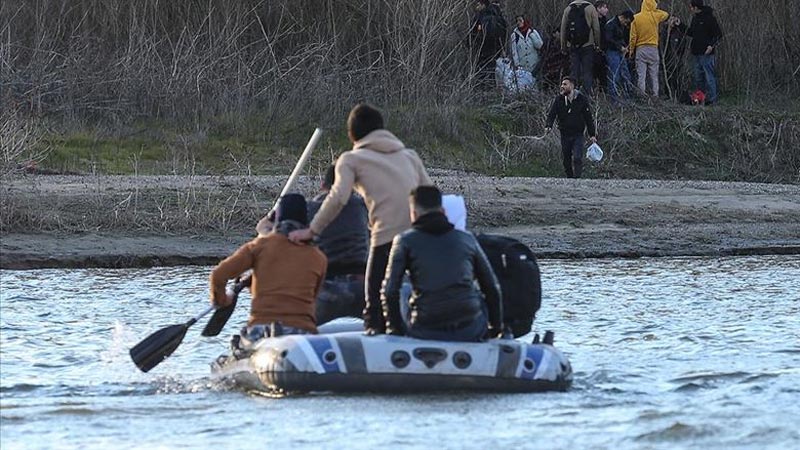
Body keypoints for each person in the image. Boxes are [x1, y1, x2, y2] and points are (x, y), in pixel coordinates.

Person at [288, 103, 432, 335]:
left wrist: (312, 231)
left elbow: (338, 198)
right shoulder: (410, 156)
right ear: (383, 130)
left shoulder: (351, 159)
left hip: (386, 237)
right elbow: (429, 194)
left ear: (352, 134)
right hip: (419, 236)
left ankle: (378, 329)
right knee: (411, 290)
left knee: (374, 297)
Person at [381, 186, 504, 342]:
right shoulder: (467, 239)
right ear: (443, 212)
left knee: (405, 289)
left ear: (414, 214)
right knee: (473, 291)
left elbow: (390, 291)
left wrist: (395, 331)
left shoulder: (404, 241)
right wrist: (496, 329)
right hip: (470, 328)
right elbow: (492, 288)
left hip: (425, 328)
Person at [210, 194, 327, 344]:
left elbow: (218, 275)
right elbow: (311, 297)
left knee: (237, 344)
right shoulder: (318, 257)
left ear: (277, 218)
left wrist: (223, 300)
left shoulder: (259, 246)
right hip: (303, 331)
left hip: (262, 328)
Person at [307, 165, 370, 325]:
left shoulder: (309, 208)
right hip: (361, 286)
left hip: (326, 289)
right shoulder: (361, 206)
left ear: (322, 184)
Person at [545, 76, 598, 179]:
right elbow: (552, 114)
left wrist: (592, 134)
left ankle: (577, 178)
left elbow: (588, 117)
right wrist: (548, 126)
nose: (562, 86)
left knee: (577, 157)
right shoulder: (559, 100)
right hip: (565, 133)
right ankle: (569, 178)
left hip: (578, 134)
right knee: (566, 158)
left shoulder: (581, 99)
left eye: (565, 84)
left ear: (572, 85)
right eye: (562, 84)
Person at [628, 0, 670, 97]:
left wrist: (631, 51)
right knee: (654, 76)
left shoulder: (635, 18)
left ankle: (641, 95)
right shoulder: (655, 16)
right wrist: (654, 10)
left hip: (641, 49)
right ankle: (655, 95)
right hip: (653, 49)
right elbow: (666, 14)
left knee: (641, 75)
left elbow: (633, 37)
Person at [560, 0, 601, 98]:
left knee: (574, 72)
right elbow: (596, 28)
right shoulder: (591, 8)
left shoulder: (568, 9)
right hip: (588, 45)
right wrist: (597, 44)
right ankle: (587, 97)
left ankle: (571, 95)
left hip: (573, 46)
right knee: (587, 72)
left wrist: (563, 46)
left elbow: (563, 29)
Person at [686, 0, 723, 105]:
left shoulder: (709, 18)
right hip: (696, 52)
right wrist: (680, 25)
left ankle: (712, 99)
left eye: (692, 7)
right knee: (698, 78)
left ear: (696, 7)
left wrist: (711, 46)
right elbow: (691, 33)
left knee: (709, 77)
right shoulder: (695, 19)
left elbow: (718, 35)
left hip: (707, 54)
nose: (691, 9)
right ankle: (701, 98)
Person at [471, 0, 508, 88]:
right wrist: (502, 48)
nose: (477, 7)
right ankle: (490, 89)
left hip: (482, 49)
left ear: (483, 5)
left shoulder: (480, 17)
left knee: (481, 71)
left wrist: (472, 43)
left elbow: (473, 33)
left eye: (478, 4)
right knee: (491, 71)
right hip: (494, 49)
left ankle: (481, 90)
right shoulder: (498, 17)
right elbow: (503, 34)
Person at [604, 9, 635, 103]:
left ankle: (627, 96)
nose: (626, 25)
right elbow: (608, 40)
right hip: (612, 52)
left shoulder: (621, 26)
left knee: (625, 74)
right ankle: (613, 98)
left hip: (621, 52)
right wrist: (619, 47)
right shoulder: (610, 25)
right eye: (626, 22)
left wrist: (625, 47)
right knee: (614, 75)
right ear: (623, 17)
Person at [660, 16, 689, 99]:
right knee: (666, 79)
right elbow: (661, 44)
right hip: (665, 59)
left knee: (676, 79)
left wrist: (678, 56)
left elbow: (682, 44)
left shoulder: (678, 32)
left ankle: (678, 96)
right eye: (671, 19)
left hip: (676, 60)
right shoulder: (663, 31)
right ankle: (667, 95)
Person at [593, 1, 610, 92]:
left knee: (603, 73)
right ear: (598, 8)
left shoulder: (605, 21)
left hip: (603, 52)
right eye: (604, 7)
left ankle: (603, 93)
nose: (606, 10)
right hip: (592, 52)